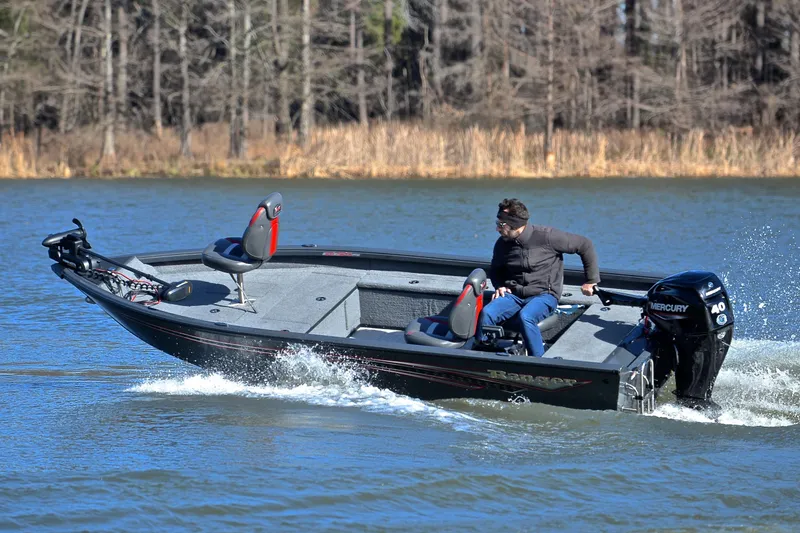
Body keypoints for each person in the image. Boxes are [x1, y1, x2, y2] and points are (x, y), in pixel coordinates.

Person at [477, 198, 600, 357]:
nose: (497, 229)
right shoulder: (502, 244)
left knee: (526, 317)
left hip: (545, 294)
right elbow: (496, 269)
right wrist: (499, 285)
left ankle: (538, 363)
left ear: (516, 225)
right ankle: (483, 354)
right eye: (497, 223)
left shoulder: (547, 237)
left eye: (501, 225)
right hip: (514, 295)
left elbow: (585, 245)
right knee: (487, 313)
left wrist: (590, 280)